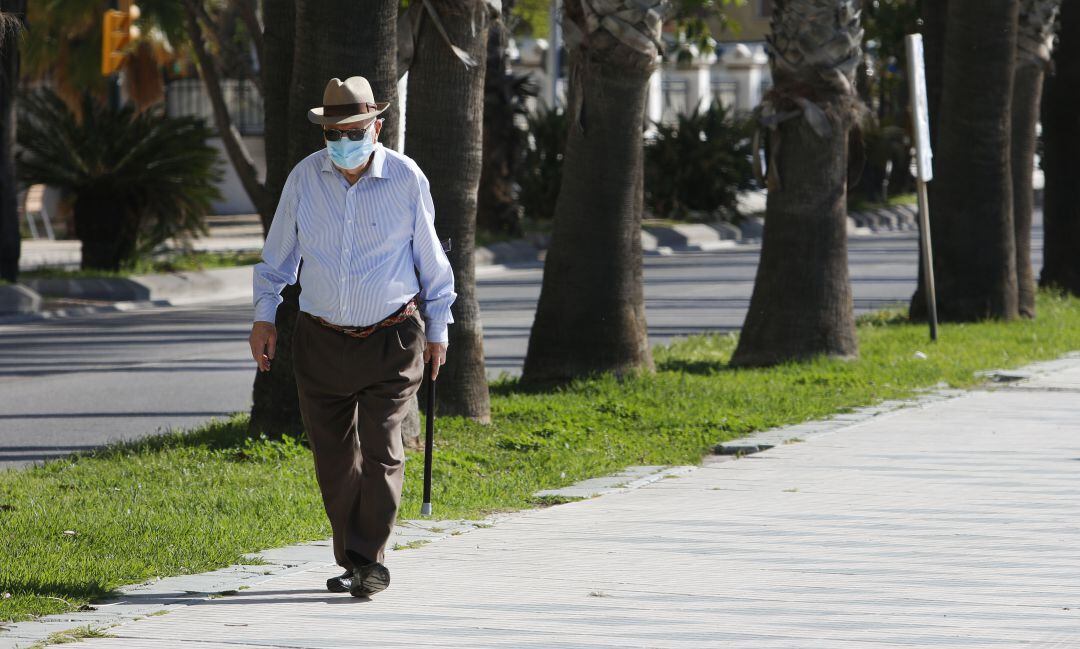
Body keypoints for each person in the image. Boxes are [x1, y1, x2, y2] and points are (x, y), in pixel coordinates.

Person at [248, 75, 456, 598]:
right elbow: (277, 259)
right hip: (320, 339)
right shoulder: (304, 179)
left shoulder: (407, 179)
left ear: (376, 126)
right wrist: (264, 317)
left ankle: (368, 559)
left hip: (392, 339)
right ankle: (356, 559)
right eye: (333, 133)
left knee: (382, 446)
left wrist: (439, 329)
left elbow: (432, 261)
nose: (343, 141)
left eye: (354, 130)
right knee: (334, 457)